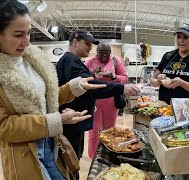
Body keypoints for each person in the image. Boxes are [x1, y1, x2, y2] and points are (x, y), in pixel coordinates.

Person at [0, 1, 107, 180]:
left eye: (28, 33)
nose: (26, 42)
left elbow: (45, 100)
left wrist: (73, 87)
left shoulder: (33, 60)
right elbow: (3, 127)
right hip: (24, 155)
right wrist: (55, 121)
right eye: (18, 35)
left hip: (52, 145)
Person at [56, 30, 140, 178]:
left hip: (78, 117)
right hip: (72, 120)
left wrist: (115, 80)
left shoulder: (73, 61)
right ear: (75, 42)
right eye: (86, 43)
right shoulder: (71, 61)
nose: (90, 48)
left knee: (75, 155)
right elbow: (90, 86)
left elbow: (85, 84)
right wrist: (122, 88)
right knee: (71, 158)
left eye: (91, 45)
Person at [150, 23, 189, 104]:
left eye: (185, 37)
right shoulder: (168, 56)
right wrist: (158, 81)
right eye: (178, 37)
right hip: (164, 108)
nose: (181, 40)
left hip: (187, 110)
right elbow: (152, 80)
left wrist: (182, 83)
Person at [84, 42, 128, 159]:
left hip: (111, 102)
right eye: (101, 53)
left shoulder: (115, 61)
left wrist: (114, 77)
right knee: (94, 132)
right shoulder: (89, 62)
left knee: (109, 130)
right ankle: (94, 157)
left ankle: (108, 154)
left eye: (107, 53)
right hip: (94, 102)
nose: (104, 56)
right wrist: (93, 74)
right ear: (96, 52)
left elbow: (125, 79)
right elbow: (81, 80)